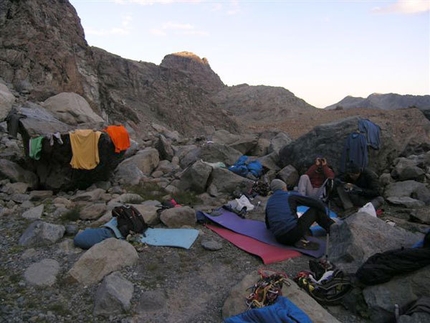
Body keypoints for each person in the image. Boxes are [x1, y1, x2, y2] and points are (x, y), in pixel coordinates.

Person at [265, 179, 335, 248]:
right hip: (293, 232)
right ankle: (334, 229)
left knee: (293, 221)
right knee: (315, 210)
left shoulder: (269, 201)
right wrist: (323, 213)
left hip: (279, 238)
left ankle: (300, 238)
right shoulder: (290, 195)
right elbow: (316, 203)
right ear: (283, 188)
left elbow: (267, 223)